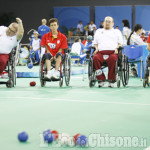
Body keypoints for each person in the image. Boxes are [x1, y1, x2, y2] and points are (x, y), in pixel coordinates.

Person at [93, 16, 123, 88]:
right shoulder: (98, 31)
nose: (107, 23)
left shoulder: (117, 31)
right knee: (95, 58)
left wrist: (117, 48)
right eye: (106, 21)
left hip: (113, 52)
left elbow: (120, 43)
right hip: (100, 52)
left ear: (113, 23)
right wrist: (96, 48)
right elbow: (95, 43)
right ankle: (101, 80)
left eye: (109, 21)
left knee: (113, 59)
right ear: (103, 23)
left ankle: (111, 80)